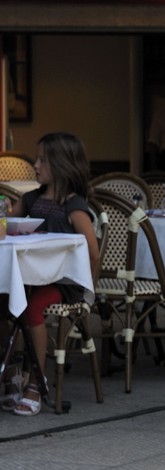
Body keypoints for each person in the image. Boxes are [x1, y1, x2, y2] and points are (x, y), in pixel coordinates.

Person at [3, 132, 100, 417]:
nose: (35, 165)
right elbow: (7, 221)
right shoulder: (32, 198)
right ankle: (10, 375)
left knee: (32, 309)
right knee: (2, 303)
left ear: (61, 165)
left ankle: (36, 380)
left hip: (63, 282)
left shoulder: (74, 205)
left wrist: (85, 289)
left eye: (42, 160)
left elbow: (92, 252)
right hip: (29, 277)